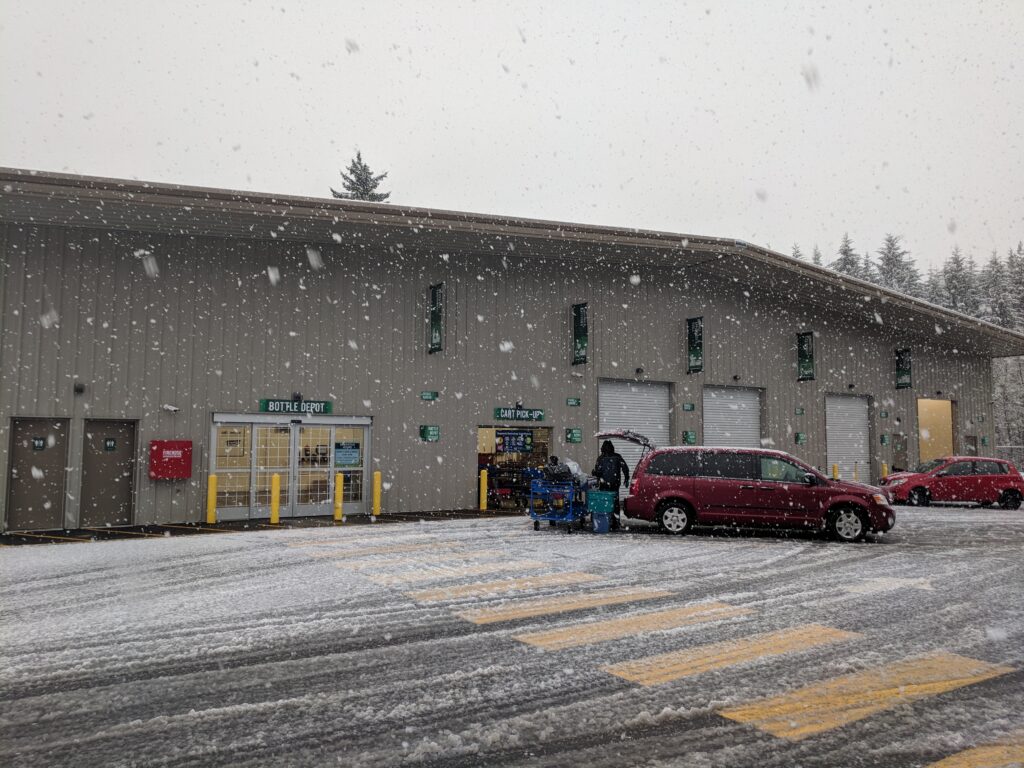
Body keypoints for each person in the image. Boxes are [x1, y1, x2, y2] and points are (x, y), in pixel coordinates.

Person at [593, 440, 629, 530]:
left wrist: (594, 473)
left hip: (604, 484)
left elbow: (598, 472)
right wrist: (626, 478)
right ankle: (615, 523)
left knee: (605, 503)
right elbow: (625, 468)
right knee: (615, 503)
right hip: (615, 484)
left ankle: (605, 521)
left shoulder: (600, 458)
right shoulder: (617, 457)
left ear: (602, 448)